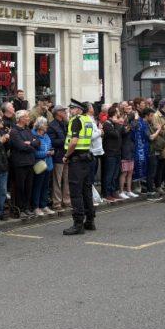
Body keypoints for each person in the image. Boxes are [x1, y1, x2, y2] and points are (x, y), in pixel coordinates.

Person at [62, 100, 96, 236]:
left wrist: (66, 155)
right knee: (86, 190)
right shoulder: (88, 120)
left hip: (77, 160)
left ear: (79, 110)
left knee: (76, 192)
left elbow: (74, 142)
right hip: (87, 158)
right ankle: (90, 220)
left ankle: (78, 224)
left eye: (72, 108)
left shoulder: (76, 121)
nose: (70, 110)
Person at [8, 111, 38, 219]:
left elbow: (37, 142)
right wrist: (32, 144)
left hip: (30, 161)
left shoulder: (27, 130)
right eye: (26, 117)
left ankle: (26, 207)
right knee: (20, 187)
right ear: (20, 119)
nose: (28, 118)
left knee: (29, 187)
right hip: (19, 163)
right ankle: (20, 208)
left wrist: (31, 143)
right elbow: (20, 146)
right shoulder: (14, 131)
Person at [48, 106, 70, 211]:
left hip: (67, 155)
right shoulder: (52, 126)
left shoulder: (66, 123)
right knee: (57, 180)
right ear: (57, 113)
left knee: (67, 179)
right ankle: (56, 203)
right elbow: (52, 142)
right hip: (58, 156)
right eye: (63, 111)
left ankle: (66, 201)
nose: (65, 112)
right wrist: (66, 141)